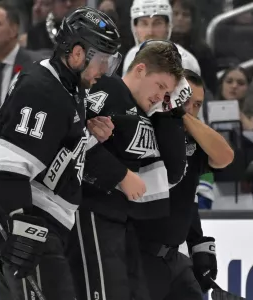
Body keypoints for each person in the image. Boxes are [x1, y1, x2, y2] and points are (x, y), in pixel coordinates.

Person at [0, 7, 121, 300]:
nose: (105, 71)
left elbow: (51, 141)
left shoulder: (66, 84)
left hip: (34, 218)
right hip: (28, 218)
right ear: (76, 53)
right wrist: (22, 226)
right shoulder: (44, 91)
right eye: (101, 61)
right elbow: (8, 168)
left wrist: (84, 130)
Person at [67, 40, 189, 300]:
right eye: (160, 86)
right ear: (141, 70)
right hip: (89, 214)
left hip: (123, 223)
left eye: (168, 91)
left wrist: (170, 111)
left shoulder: (151, 115)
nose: (161, 95)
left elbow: (175, 171)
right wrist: (118, 175)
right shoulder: (107, 89)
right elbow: (70, 139)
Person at [134, 70, 234, 300]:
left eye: (197, 104)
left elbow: (225, 156)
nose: (190, 107)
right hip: (140, 253)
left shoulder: (195, 138)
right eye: (185, 100)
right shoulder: (149, 127)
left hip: (175, 257)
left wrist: (184, 115)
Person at [122, 0, 200, 76]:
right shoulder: (131, 57)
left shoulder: (186, 62)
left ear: (168, 26)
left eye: (157, 23)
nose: (150, 32)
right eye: (144, 23)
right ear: (135, 28)